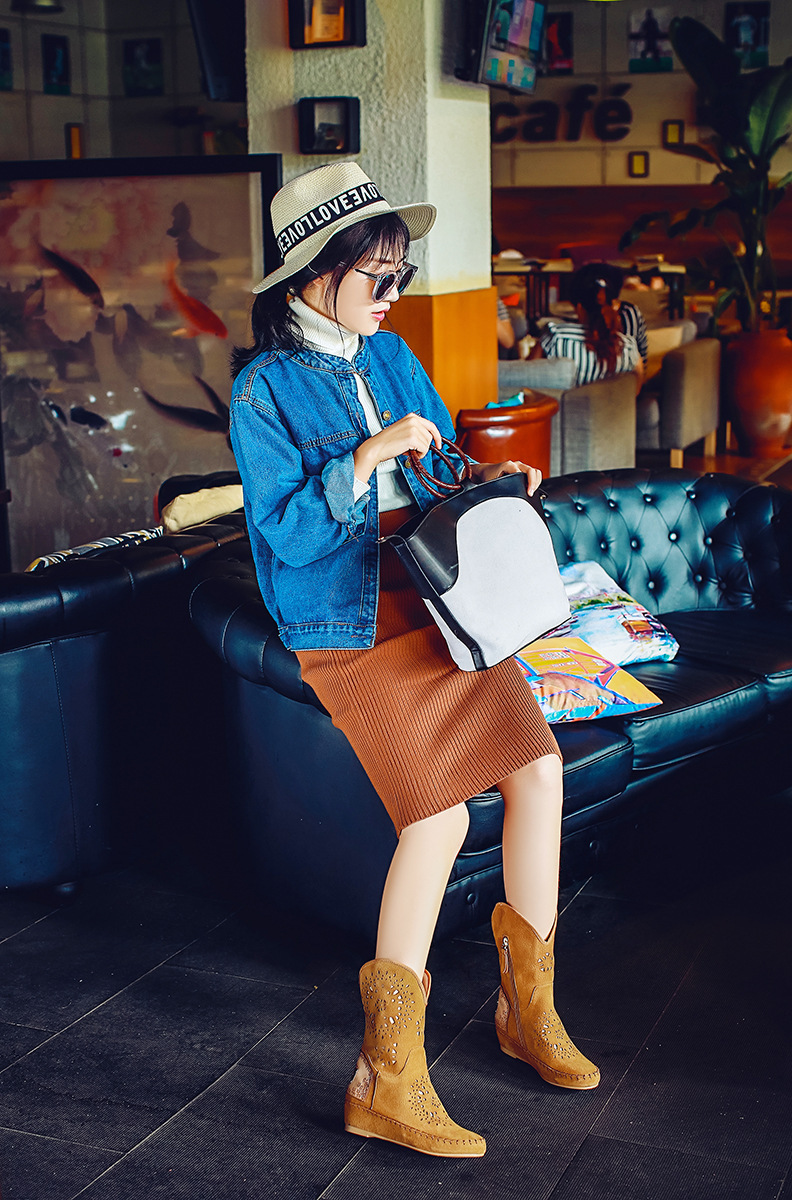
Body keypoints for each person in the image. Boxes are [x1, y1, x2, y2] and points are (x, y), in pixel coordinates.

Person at [229, 162, 600, 1160]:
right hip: (346, 622)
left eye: (401, 274)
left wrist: (489, 475)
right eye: (378, 276)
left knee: (539, 769)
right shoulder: (263, 390)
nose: (394, 294)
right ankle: (383, 1078)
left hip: (439, 596)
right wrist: (361, 458)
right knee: (438, 816)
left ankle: (527, 1013)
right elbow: (286, 535)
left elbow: (434, 469)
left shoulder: (391, 355)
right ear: (313, 274)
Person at [537, 263, 643, 387]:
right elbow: (635, 388)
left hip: (566, 400)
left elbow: (527, 376)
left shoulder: (556, 336)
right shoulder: (629, 347)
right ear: (613, 306)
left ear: (579, 308)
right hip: (616, 400)